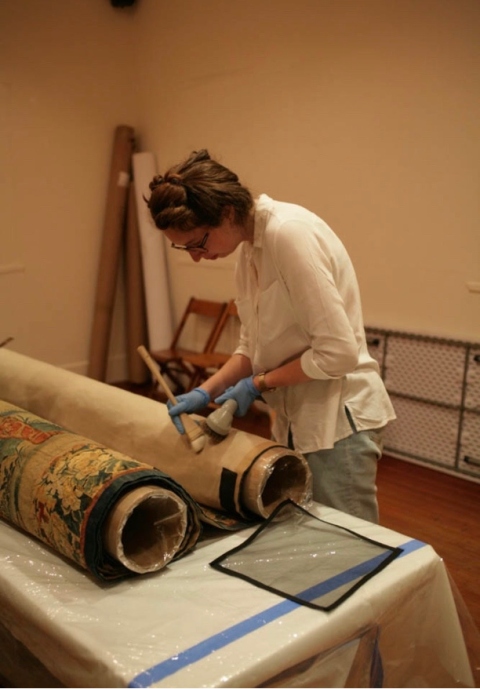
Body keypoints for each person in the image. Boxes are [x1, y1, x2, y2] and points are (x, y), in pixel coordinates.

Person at [146, 149, 396, 523]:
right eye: (185, 248)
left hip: (337, 421)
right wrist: (206, 391)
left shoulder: (288, 235)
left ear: (227, 212)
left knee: (353, 547)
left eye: (198, 243)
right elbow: (251, 347)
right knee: (311, 531)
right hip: (297, 417)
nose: (196, 256)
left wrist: (259, 384)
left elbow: (338, 354)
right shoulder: (248, 251)